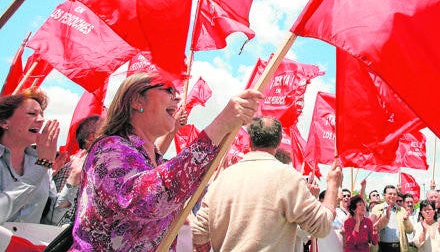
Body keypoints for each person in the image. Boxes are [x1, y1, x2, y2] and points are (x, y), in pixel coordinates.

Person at [69, 73, 262, 251]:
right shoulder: (109, 149)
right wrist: (219, 125)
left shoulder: (154, 157)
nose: (177, 97)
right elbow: (149, 199)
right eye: (168, 89)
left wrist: (226, 130)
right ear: (137, 100)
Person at [191, 116, 343, 251]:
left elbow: (199, 231)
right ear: (278, 143)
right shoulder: (289, 178)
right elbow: (321, 226)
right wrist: (333, 186)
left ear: (250, 141)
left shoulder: (222, 179)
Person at [0, 88, 79, 225]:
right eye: (32, 114)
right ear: (4, 122)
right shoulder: (42, 163)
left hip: (28, 246)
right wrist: (42, 165)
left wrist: (72, 181)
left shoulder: (40, 162)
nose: (41, 120)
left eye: (42, 114)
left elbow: (51, 220)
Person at [370, 184, 413, 252]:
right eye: (390, 194)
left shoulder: (402, 210)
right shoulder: (376, 209)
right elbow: (374, 227)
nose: (392, 196)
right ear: (384, 195)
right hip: (381, 247)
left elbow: (410, 230)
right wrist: (386, 217)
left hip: (399, 247)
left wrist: (406, 220)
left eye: (394, 194)